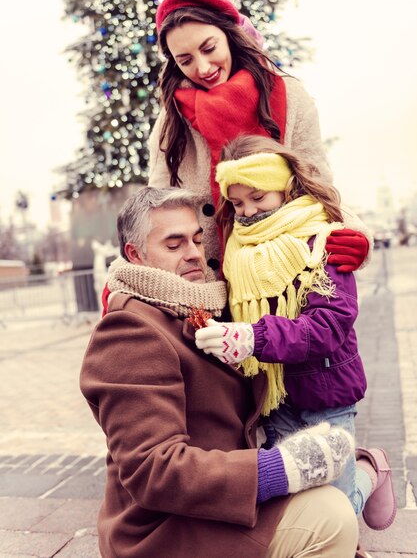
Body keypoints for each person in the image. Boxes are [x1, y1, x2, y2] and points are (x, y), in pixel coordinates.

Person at [80, 186, 359, 558]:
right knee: (332, 515)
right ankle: (367, 478)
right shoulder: (130, 331)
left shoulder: (199, 307)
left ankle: (365, 476)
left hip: (214, 505)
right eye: (174, 244)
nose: (195, 253)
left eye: (197, 239)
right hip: (165, 529)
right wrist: (277, 468)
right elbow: (152, 470)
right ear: (136, 255)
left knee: (334, 506)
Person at [195, 135, 397, 532]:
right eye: (237, 204)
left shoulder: (323, 237)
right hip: (272, 397)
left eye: (258, 198)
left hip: (327, 395)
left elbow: (330, 325)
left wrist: (253, 338)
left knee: (338, 507)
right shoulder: (237, 248)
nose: (248, 212)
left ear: (286, 188)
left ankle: (369, 471)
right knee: (298, 500)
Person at [147, 0, 371, 276]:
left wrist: (353, 234)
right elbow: (158, 211)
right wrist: (132, 273)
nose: (203, 68)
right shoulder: (172, 121)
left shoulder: (288, 96)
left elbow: (317, 183)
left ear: (229, 35)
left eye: (209, 48)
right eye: (185, 60)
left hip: (289, 274)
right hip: (207, 288)